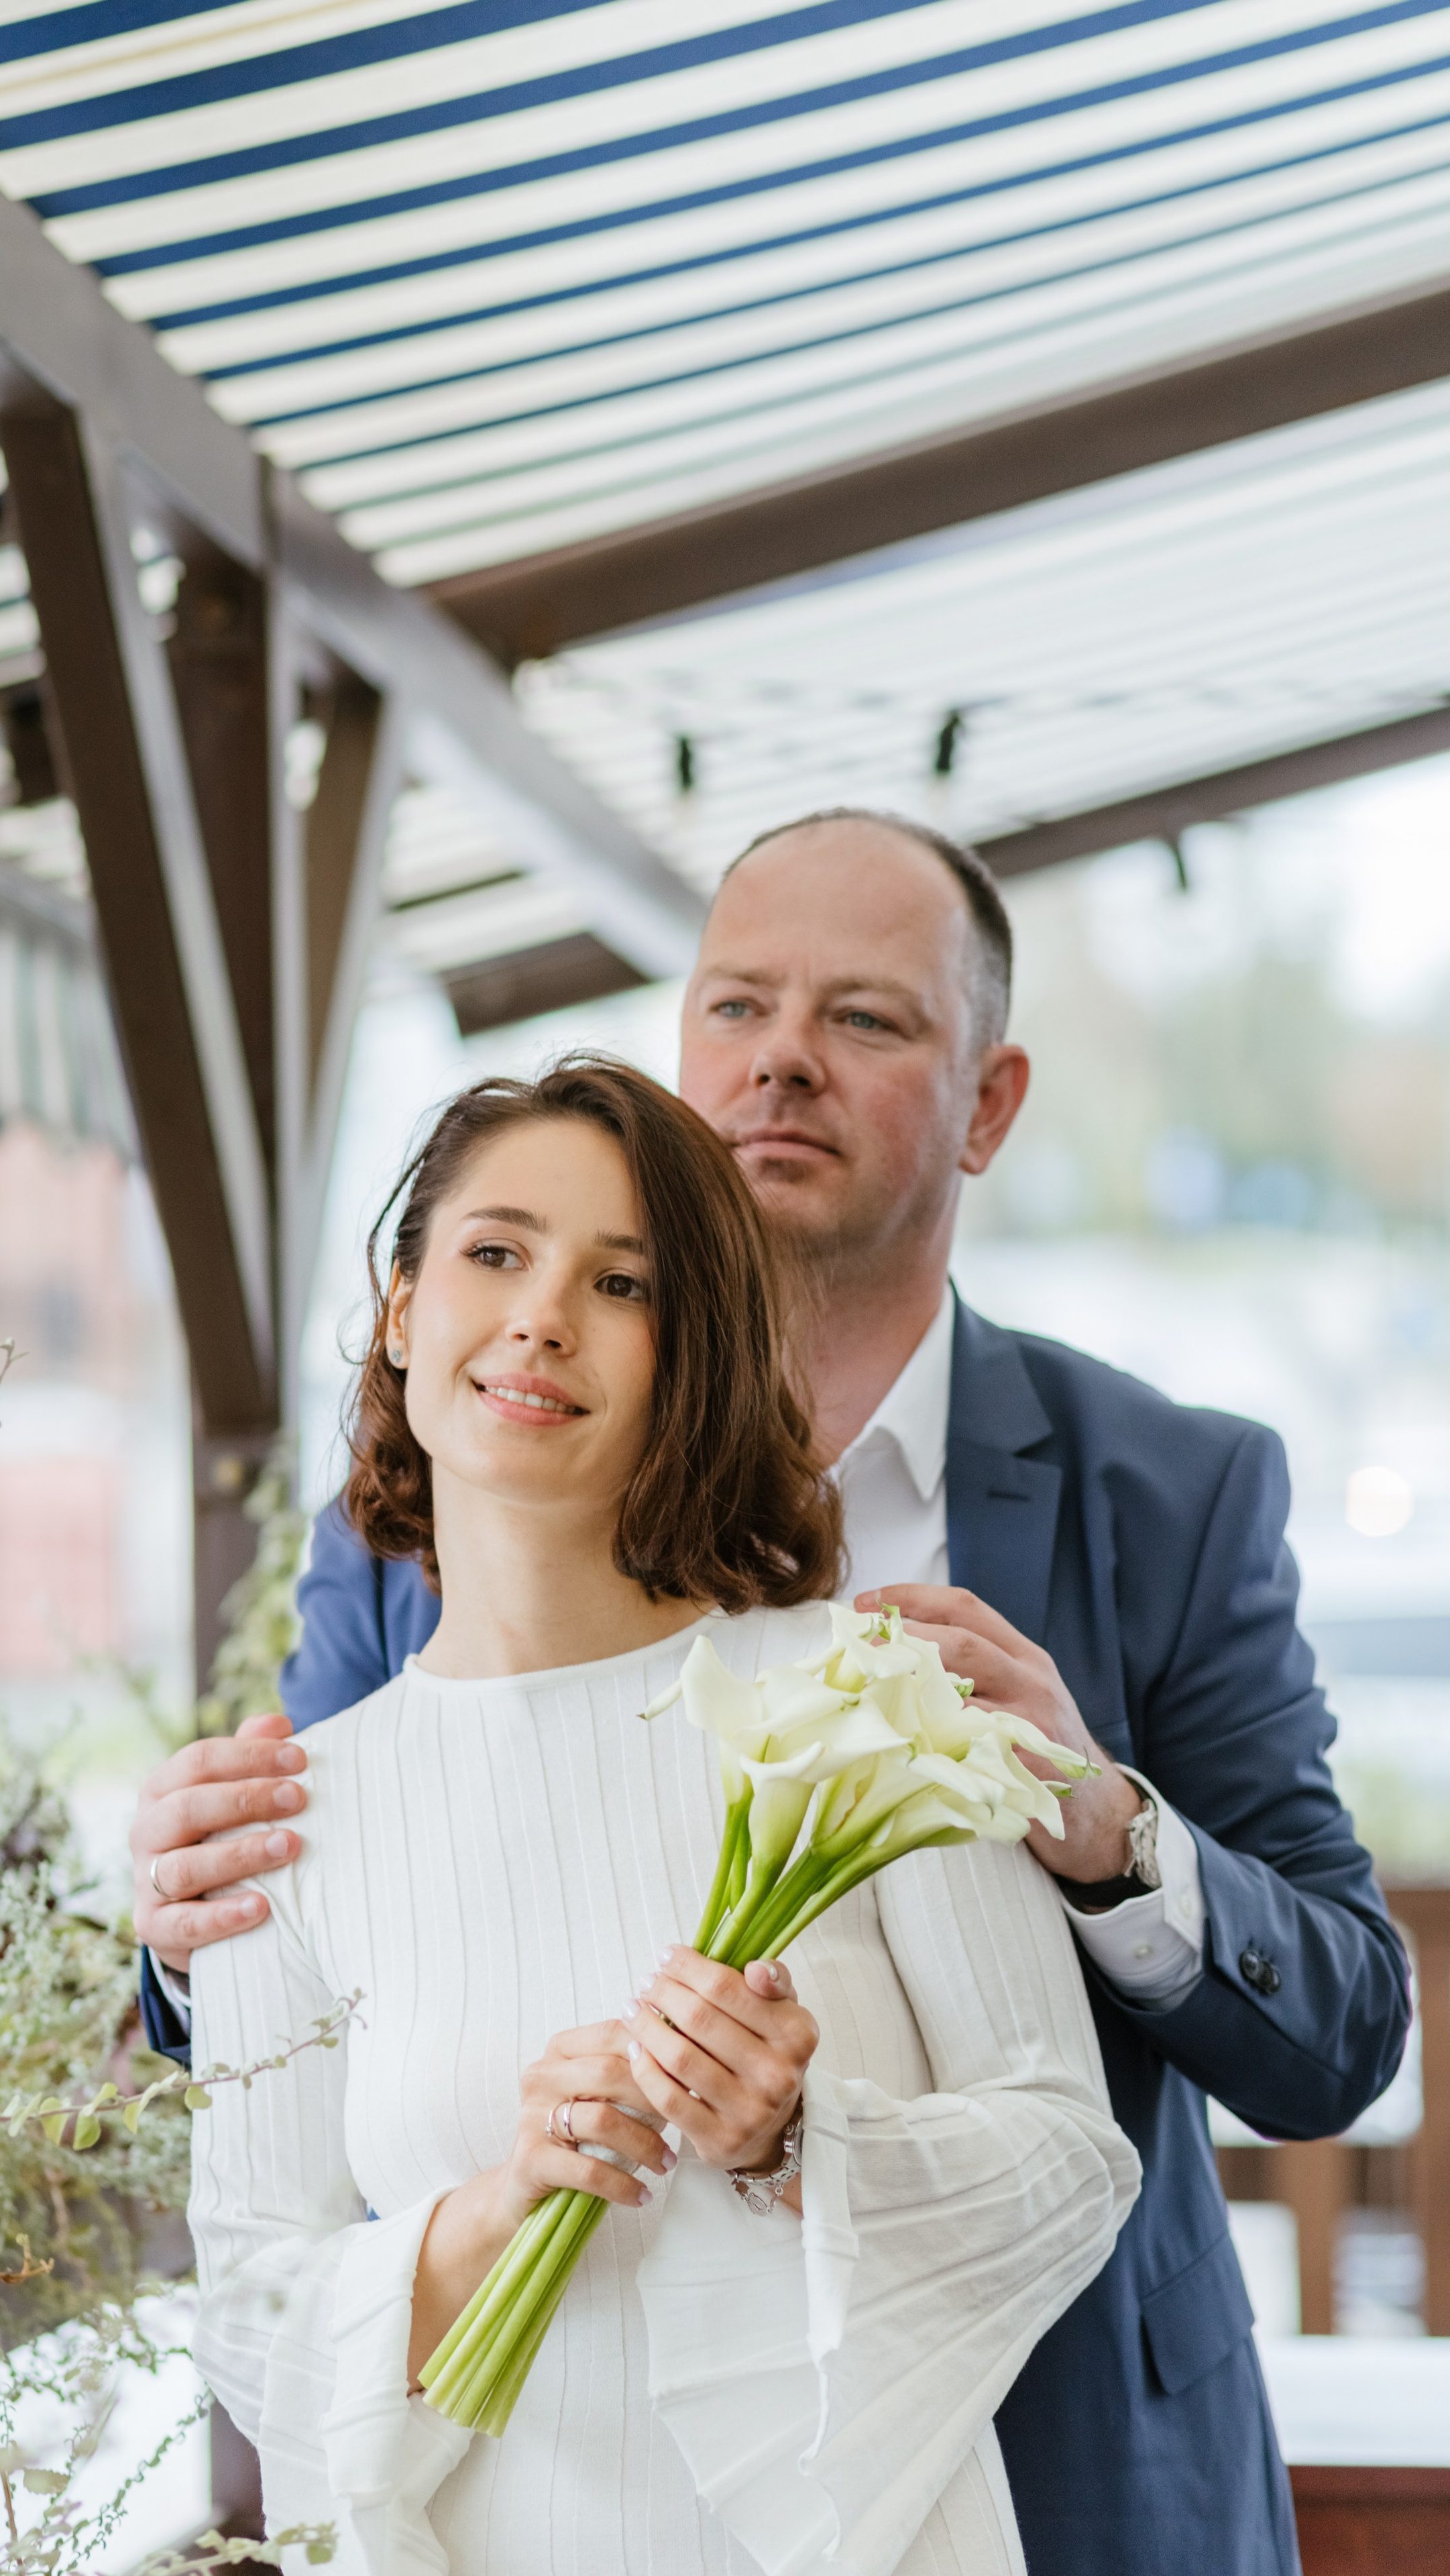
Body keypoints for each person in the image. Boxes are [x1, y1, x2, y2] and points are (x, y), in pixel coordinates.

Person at [140, 809, 1410, 2576]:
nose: (781, 1060)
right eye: (735, 1005)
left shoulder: (1165, 1494)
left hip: (1075, 2478)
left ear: (988, 1101)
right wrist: (184, 1930)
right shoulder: (430, 1529)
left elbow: (1338, 2031)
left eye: (866, 1020)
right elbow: (339, 1933)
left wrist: (1098, 1824)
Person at [186, 1057, 1139, 2575]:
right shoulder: (288, 1823)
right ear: (398, 1306)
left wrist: (792, 2144)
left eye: (619, 1283)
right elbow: (248, 2306)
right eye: (494, 1253)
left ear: (684, 1350)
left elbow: (1068, 2165)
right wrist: (495, 2210)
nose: (541, 1316)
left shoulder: (864, 1704)